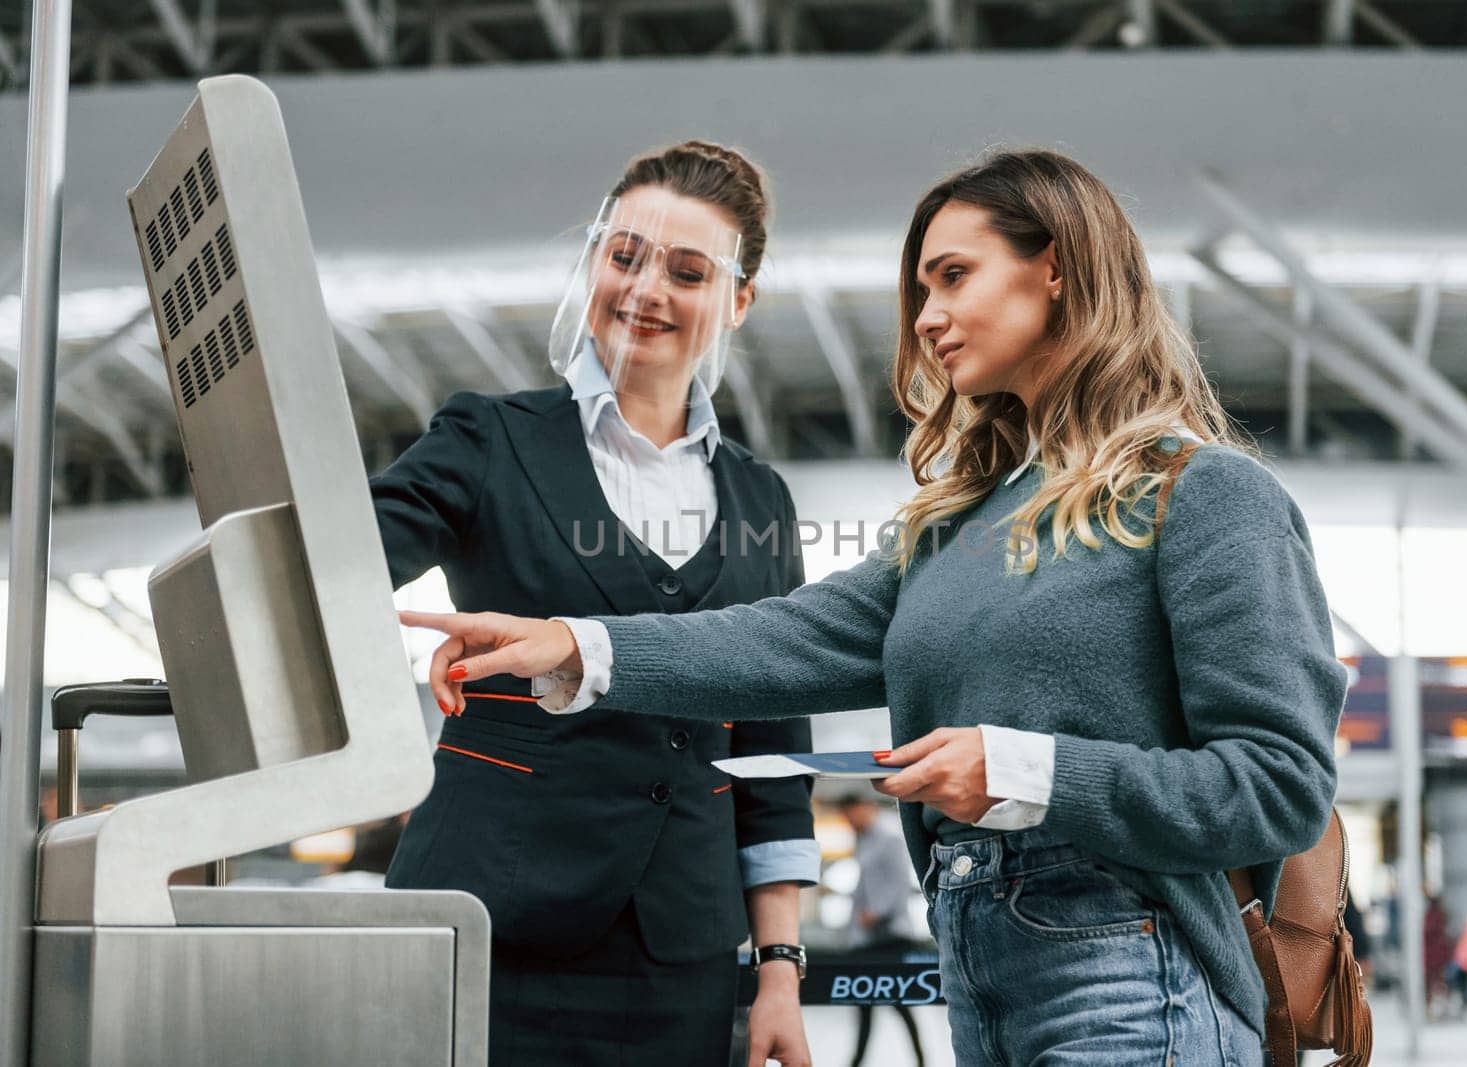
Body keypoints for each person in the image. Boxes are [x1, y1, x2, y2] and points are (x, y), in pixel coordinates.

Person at [402, 149, 1346, 1066]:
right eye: (920, 294)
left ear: (1055, 268)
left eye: (952, 277)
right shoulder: (957, 526)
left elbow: (1280, 784)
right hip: (981, 971)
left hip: (1142, 978)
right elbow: (781, 639)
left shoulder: (1205, 492)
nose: (928, 320)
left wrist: (1025, 768)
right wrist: (575, 642)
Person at [372, 141, 817, 1067]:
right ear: (595, 264)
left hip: (680, 955)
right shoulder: (488, 439)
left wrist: (777, 968)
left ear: (737, 301)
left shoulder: (760, 502)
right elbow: (335, 566)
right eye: (625, 256)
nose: (647, 288)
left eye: (687, 271)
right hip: (490, 924)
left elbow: (773, 755)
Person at [839, 795, 927, 1067]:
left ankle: (921, 1059)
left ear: (866, 807)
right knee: (864, 1002)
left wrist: (877, 912)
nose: (849, 820)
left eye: (851, 813)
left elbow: (901, 881)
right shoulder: (863, 838)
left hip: (888, 935)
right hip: (867, 938)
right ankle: (857, 1060)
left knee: (898, 1002)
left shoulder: (888, 835)